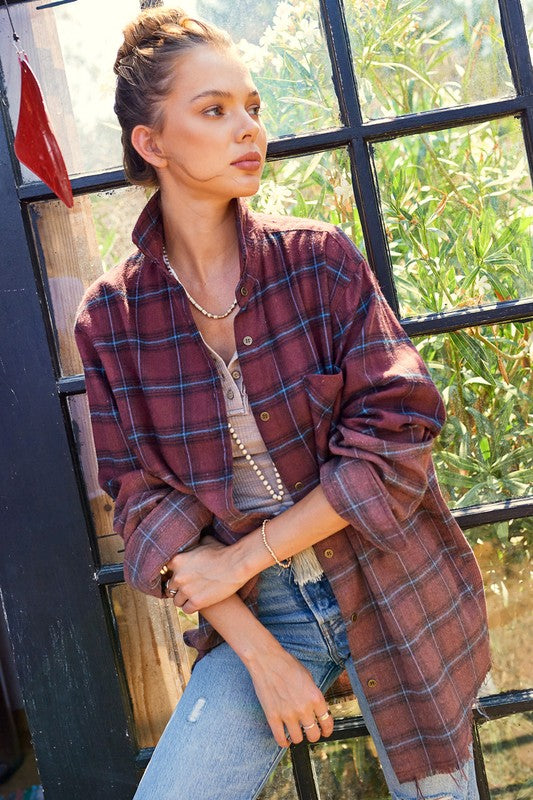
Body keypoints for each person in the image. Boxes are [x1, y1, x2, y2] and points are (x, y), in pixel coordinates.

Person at [74, 6, 490, 799]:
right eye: (213, 110)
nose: (248, 130)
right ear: (151, 144)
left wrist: (241, 556)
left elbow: (395, 441)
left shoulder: (316, 261)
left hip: (390, 582)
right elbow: (142, 503)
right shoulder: (111, 319)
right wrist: (261, 655)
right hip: (260, 614)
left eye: (252, 107)